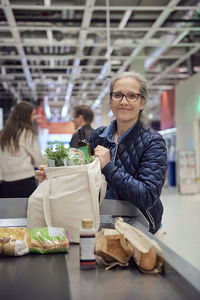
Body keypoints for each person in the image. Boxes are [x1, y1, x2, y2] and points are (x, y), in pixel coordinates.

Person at [36, 71, 167, 235]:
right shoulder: (98, 136)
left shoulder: (153, 142)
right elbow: (81, 176)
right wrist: (54, 176)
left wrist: (108, 167)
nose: (124, 101)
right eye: (118, 95)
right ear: (111, 100)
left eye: (132, 96)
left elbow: (147, 196)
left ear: (142, 103)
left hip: (139, 228)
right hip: (100, 223)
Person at [0, 101, 43, 198]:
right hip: (25, 182)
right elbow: (39, 160)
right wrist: (32, 161)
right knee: (26, 212)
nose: (33, 119)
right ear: (26, 116)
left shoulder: (2, 134)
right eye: (32, 115)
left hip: (6, 183)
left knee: (8, 212)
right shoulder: (27, 133)